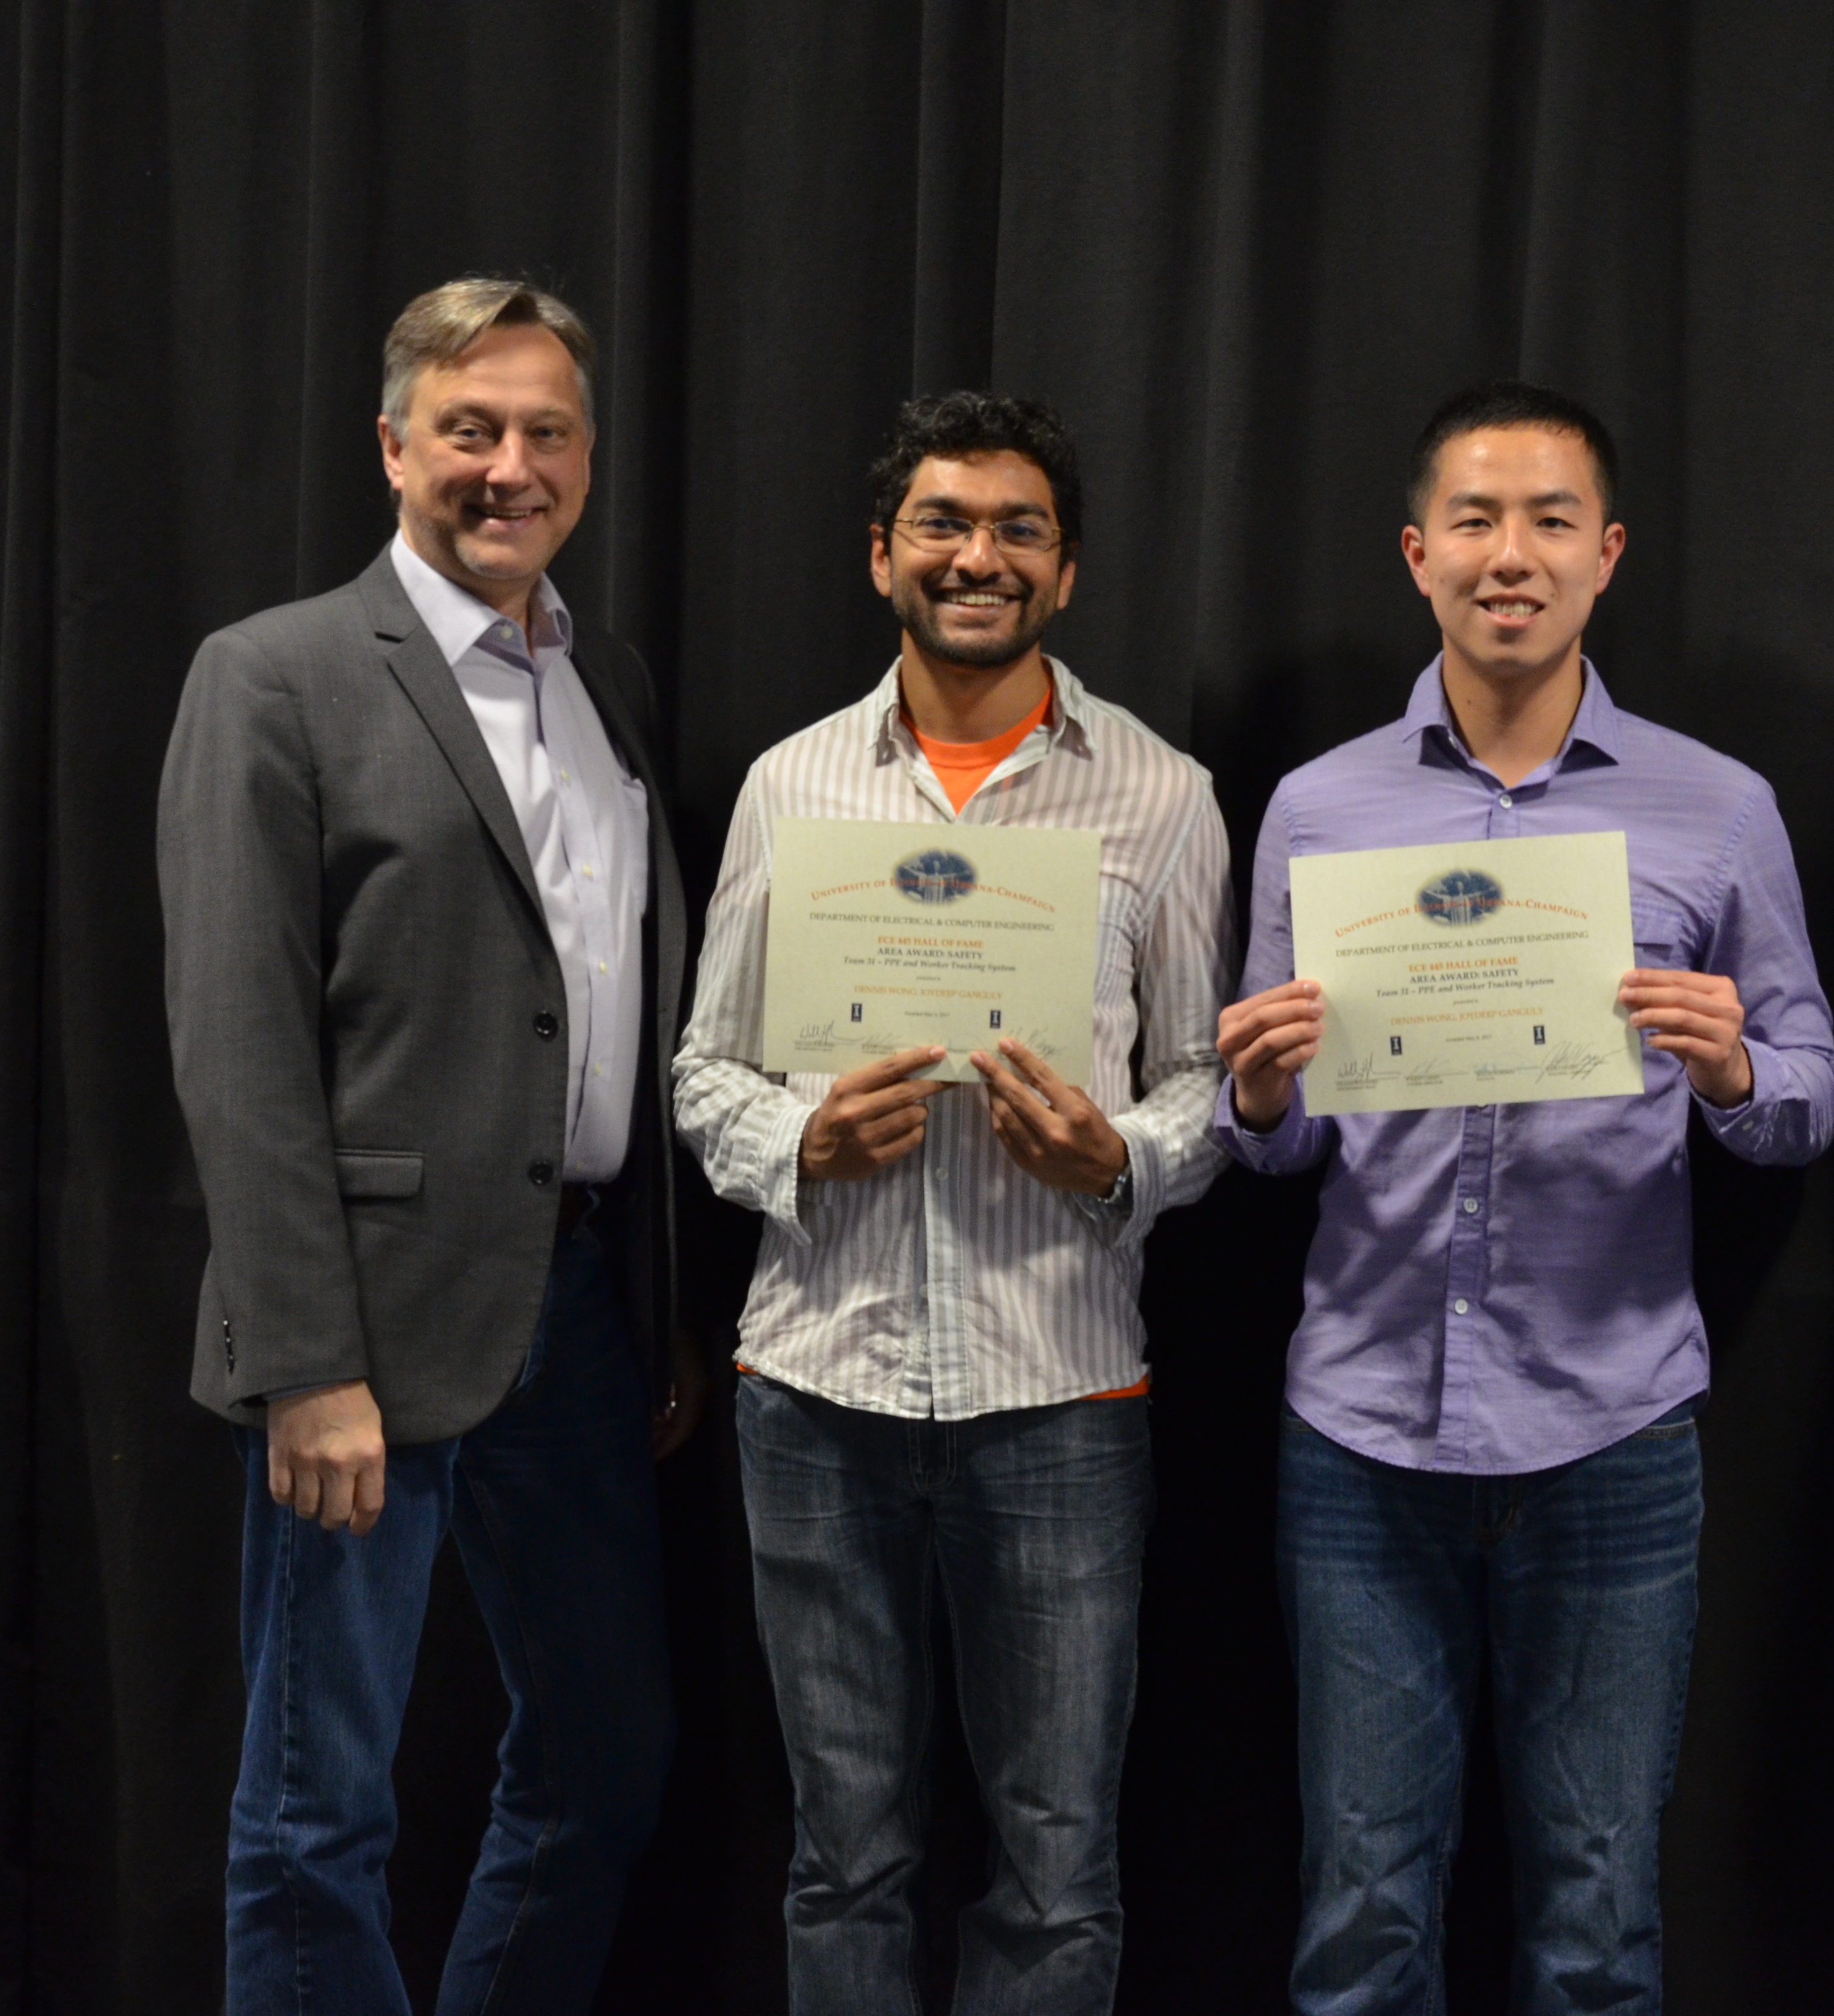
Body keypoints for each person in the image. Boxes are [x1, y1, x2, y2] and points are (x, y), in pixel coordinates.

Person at [1214, 380, 1834, 2014]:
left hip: (1615, 1441)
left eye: (1552, 520)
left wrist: (1731, 1073)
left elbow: (1810, 1098)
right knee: (1359, 1925)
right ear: (1418, 556)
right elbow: (1269, 1146)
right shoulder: (1316, 807)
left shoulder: (1720, 807)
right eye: (1477, 522)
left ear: (1609, 554)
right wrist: (1261, 1089)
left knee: (1597, 1929)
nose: (1514, 554)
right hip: (1358, 1441)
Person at [158, 277, 693, 2013]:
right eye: (469, 428)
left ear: (589, 463)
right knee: (320, 1806)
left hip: (586, 1316)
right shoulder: (276, 676)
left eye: (544, 432)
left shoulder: (598, 677)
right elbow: (239, 1050)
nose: (508, 465)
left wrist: (660, 1299)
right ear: (395, 447)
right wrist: (302, 1358)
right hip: (366, 1330)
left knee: (607, 1756)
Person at [674, 390, 1233, 2011]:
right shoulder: (792, 790)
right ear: (881, 558)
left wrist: (1120, 1159)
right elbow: (705, 1072)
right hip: (817, 1393)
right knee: (843, 1855)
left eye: (1017, 530)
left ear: (1066, 574)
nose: (976, 556)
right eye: (942, 524)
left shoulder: (1163, 795)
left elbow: (1211, 1084)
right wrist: (798, 1149)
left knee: (1059, 1868)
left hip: (1059, 1396)